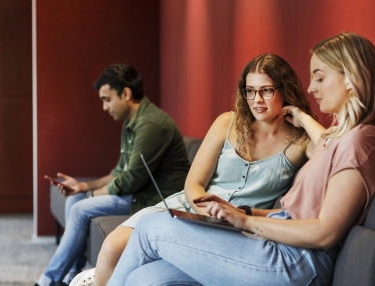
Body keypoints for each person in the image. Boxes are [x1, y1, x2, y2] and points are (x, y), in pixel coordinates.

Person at [107, 32, 375, 286]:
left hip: (296, 262)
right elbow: (297, 205)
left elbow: (325, 232)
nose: (311, 88)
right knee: (145, 277)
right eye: (250, 91)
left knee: (151, 228)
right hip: (278, 243)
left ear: (350, 78)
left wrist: (245, 221)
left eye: (319, 78)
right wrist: (239, 212)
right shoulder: (346, 138)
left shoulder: (359, 140)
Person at [70, 54, 323, 286]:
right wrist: (202, 211)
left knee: (148, 270)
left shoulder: (300, 142)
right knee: (112, 246)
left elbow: (336, 150)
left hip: (237, 226)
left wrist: (302, 117)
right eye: (250, 91)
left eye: (266, 90)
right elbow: (193, 183)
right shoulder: (228, 122)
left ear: (284, 89)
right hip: (191, 207)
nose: (257, 100)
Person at [35, 64, 191, 286]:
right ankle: (72, 277)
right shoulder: (132, 123)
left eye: (107, 99)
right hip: (138, 192)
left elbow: (131, 179)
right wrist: (83, 188)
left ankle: (48, 281)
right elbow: (119, 172)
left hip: (153, 199)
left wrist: (91, 195)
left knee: (81, 207)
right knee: (75, 200)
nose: (104, 107)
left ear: (126, 94)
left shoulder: (151, 124)